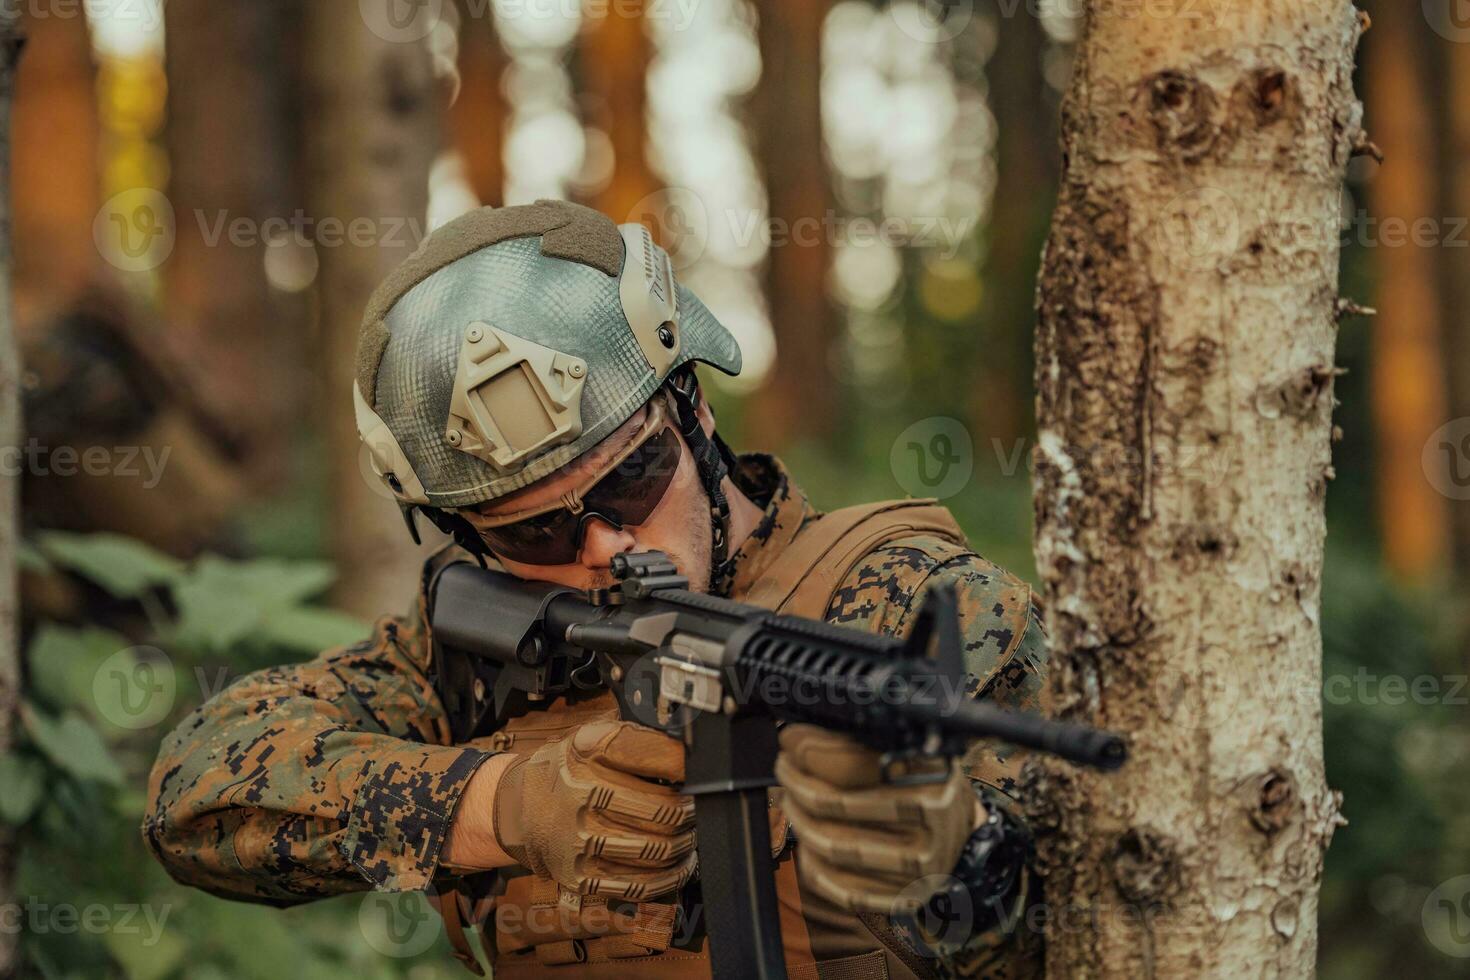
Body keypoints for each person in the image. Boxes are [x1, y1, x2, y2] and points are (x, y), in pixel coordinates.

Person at [143, 200, 1049, 979]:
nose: (607, 544)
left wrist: (966, 864)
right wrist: (506, 806)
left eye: (632, 478)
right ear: (467, 538)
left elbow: (1112, 934)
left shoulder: (922, 609)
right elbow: (197, 788)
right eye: (536, 529)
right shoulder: (478, 652)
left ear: (692, 411)